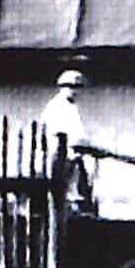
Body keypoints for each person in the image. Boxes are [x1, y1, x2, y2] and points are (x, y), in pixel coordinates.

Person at [41, 69, 96, 215]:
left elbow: (77, 132)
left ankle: (76, 208)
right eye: (71, 87)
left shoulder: (72, 107)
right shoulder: (56, 106)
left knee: (79, 183)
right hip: (59, 154)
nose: (75, 91)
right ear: (63, 87)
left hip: (72, 154)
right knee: (61, 187)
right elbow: (58, 132)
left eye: (77, 88)